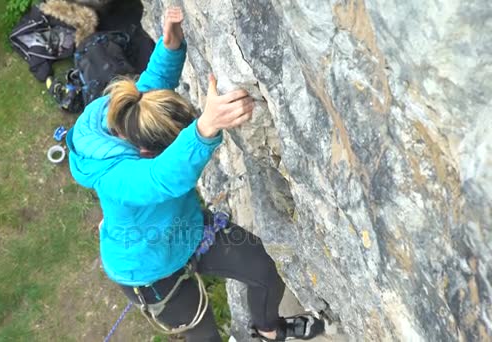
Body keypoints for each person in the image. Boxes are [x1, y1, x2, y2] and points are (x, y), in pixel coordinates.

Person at [66, 6, 325, 342]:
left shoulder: (120, 115)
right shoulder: (118, 177)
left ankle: (268, 331)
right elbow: (161, 177)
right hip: (149, 272)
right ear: (148, 153)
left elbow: (149, 94)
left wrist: (170, 46)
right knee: (204, 337)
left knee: (262, 268)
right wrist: (204, 129)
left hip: (186, 229)